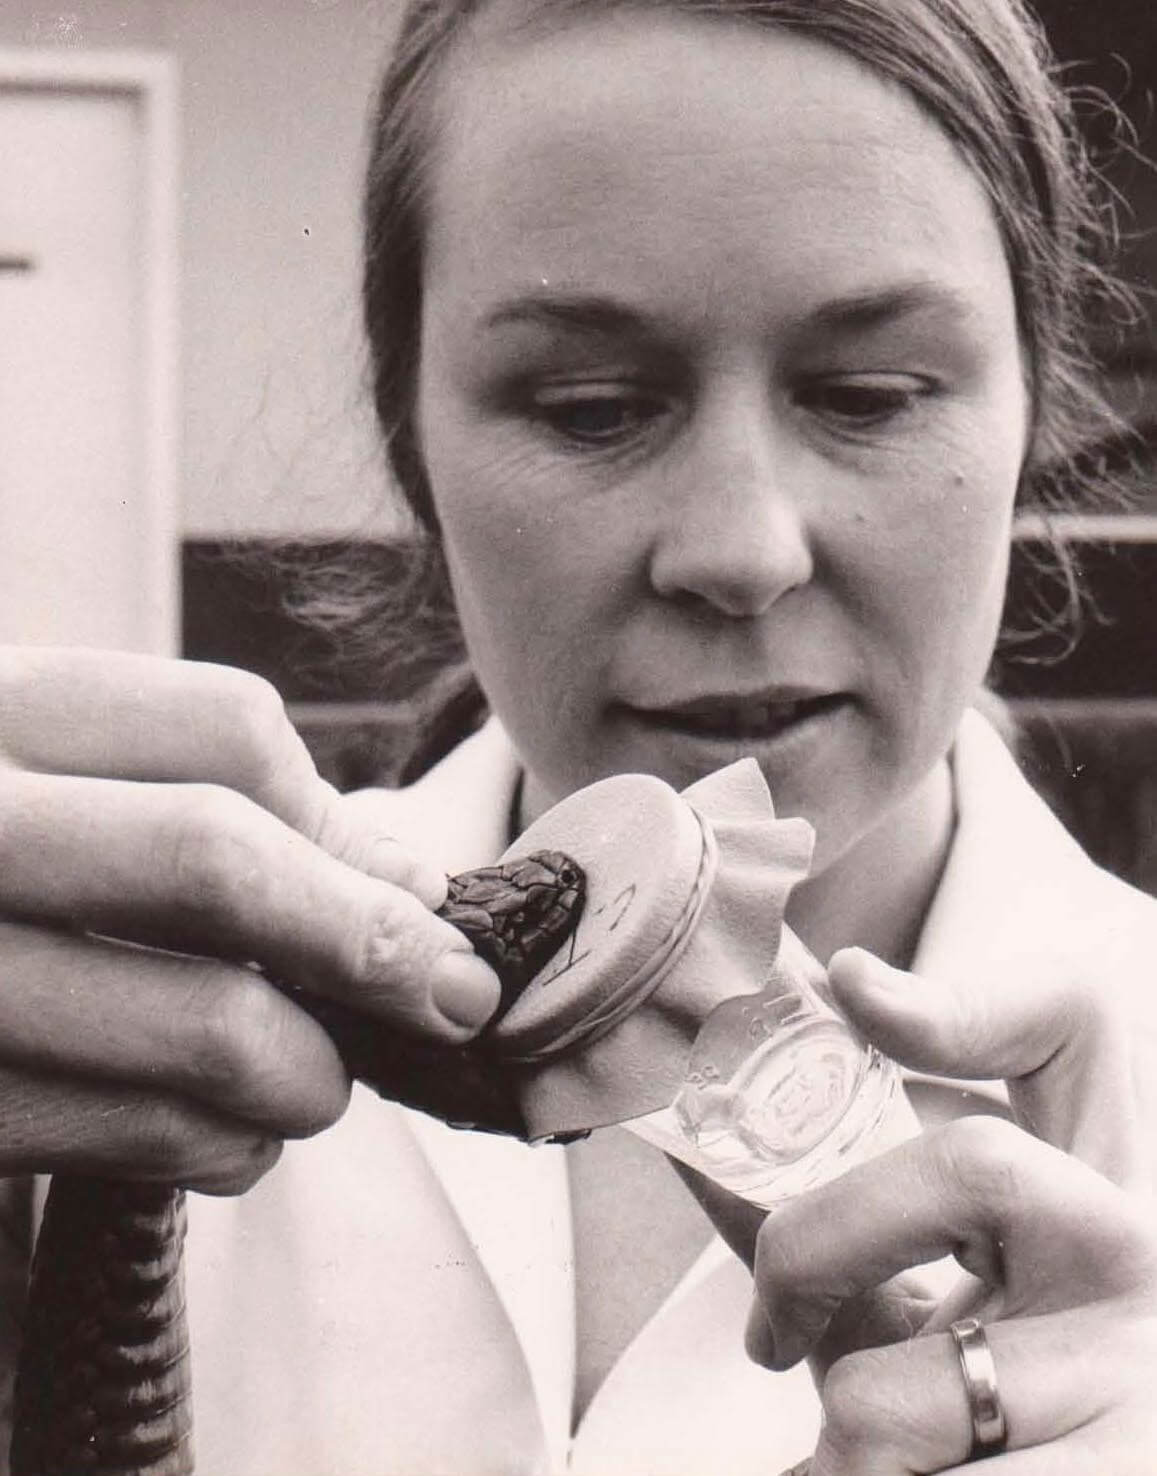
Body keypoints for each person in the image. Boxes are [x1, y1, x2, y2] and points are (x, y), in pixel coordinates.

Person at [1, 0, 1156, 1471]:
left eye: (866, 396)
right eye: (591, 407)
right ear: (411, 443)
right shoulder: (122, 1033)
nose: (739, 553)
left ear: (1027, 416)